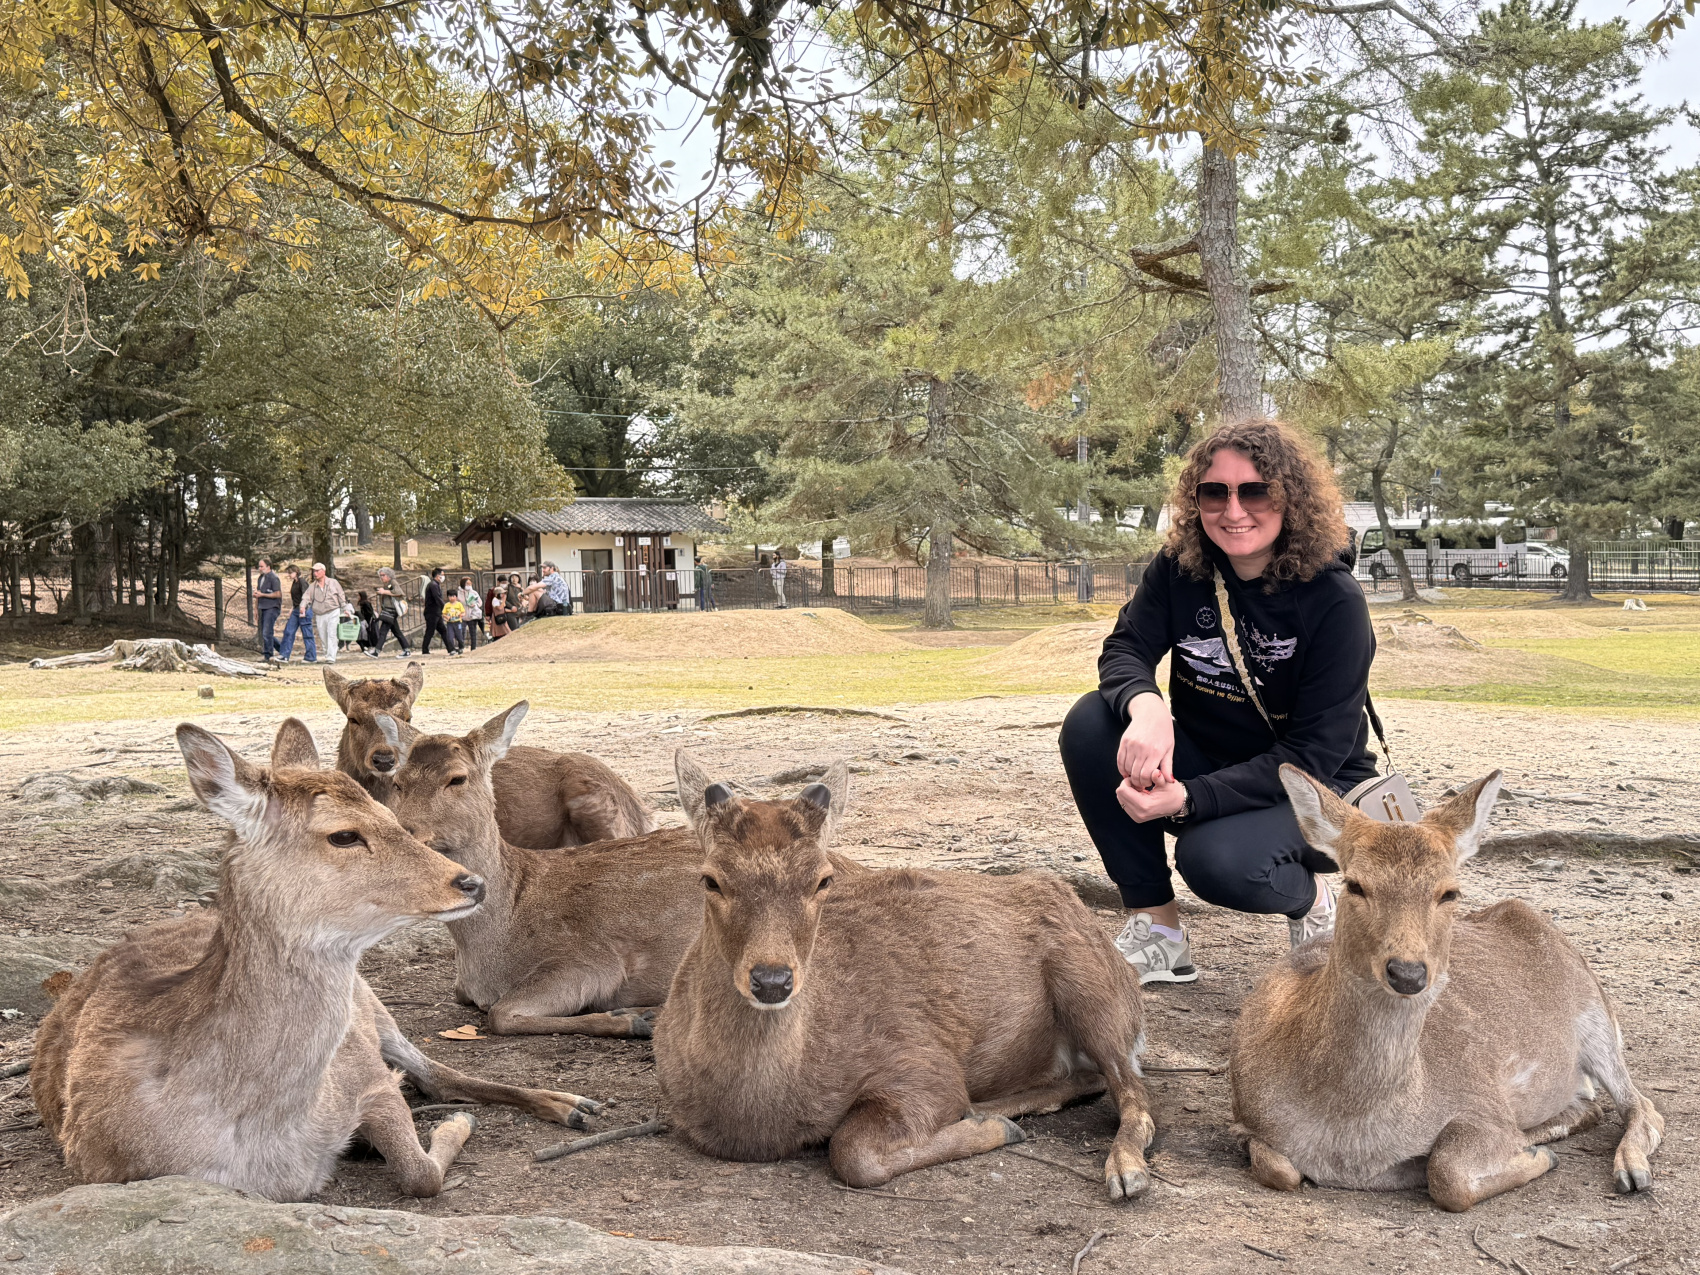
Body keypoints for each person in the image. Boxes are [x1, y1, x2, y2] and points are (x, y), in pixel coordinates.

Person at [1057, 417, 1377, 986]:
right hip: (1215, 758)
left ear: (1291, 499)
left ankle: (1315, 900)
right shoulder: (1181, 571)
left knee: (1216, 862)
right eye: (1215, 492)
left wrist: (1187, 800)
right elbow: (1126, 647)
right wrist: (1147, 708)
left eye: (1255, 490)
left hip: (1314, 787)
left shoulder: (1335, 601)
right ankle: (1158, 931)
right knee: (1091, 723)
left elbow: (1315, 752)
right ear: (1195, 500)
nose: (1234, 510)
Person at [304, 563, 349, 665]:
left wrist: (345, 608)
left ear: (323, 571)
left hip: (333, 611)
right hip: (320, 613)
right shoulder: (312, 586)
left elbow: (341, 595)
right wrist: (303, 607)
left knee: (332, 633)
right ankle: (327, 654)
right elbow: (306, 597)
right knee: (323, 635)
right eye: (314, 571)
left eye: (317, 571)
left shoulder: (333, 582)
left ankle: (331, 657)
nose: (315, 573)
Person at [276, 565, 317, 664]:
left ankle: (311, 657)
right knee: (288, 631)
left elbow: (306, 597)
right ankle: (284, 655)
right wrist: (292, 608)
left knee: (307, 634)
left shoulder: (302, 582)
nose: (289, 575)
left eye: (290, 573)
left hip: (304, 610)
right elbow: (296, 598)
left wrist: (303, 609)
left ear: (296, 572)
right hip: (296, 610)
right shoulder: (295, 582)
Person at [370, 567, 413, 659]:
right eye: (380, 575)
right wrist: (382, 592)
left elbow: (398, 592)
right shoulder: (388, 584)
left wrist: (384, 591)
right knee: (396, 632)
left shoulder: (393, 582)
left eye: (383, 575)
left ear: (389, 575)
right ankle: (406, 650)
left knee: (383, 631)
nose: (381, 577)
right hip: (389, 610)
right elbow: (392, 591)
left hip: (391, 610)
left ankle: (376, 651)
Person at [252, 558, 282, 662]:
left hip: (272, 607)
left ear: (268, 567)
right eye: (259, 566)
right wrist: (255, 608)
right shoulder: (261, 578)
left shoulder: (274, 578)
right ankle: (282, 649)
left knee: (266, 632)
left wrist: (263, 594)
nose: (259, 568)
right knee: (266, 633)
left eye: (262, 566)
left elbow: (278, 594)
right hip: (262, 607)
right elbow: (258, 593)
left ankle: (268, 655)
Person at [420, 567, 452, 656]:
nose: (443, 577)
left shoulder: (435, 585)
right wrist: (445, 608)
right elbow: (437, 598)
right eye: (442, 575)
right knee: (430, 631)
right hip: (432, 612)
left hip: (436, 612)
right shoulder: (433, 585)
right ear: (438, 576)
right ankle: (425, 649)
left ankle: (450, 649)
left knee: (442, 630)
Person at [459, 577, 485, 650]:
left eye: (470, 584)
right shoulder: (459, 593)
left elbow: (480, 603)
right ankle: (461, 647)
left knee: (473, 633)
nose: (469, 585)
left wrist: (475, 604)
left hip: (472, 615)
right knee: (461, 632)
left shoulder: (474, 592)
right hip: (462, 616)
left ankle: (473, 648)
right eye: (467, 583)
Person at [442, 587, 466, 657]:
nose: (452, 598)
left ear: (456, 597)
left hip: (458, 622)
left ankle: (461, 647)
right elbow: (443, 614)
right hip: (450, 623)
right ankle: (452, 649)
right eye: (450, 596)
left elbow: (464, 613)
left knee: (459, 636)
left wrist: (460, 615)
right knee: (450, 636)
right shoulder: (446, 605)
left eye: (453, 596)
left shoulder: (459, 604)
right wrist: (446, 617)